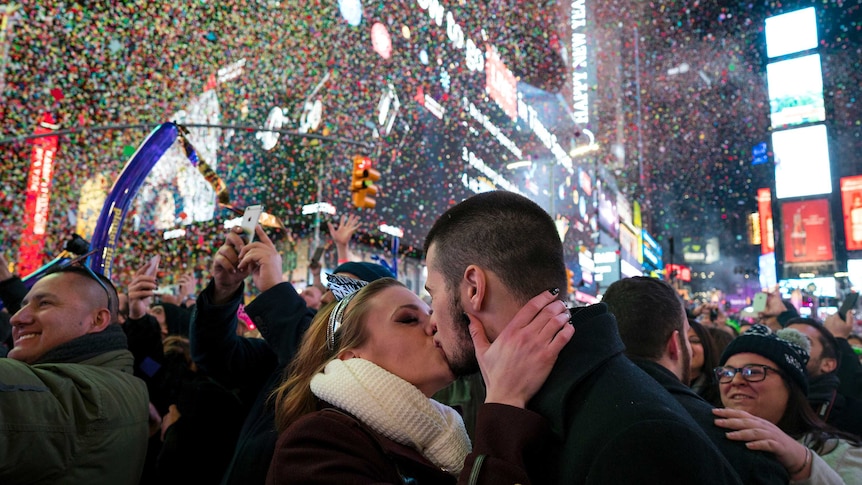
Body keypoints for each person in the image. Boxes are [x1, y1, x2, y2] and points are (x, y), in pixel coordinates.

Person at [424, 190, 741, 484]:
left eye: (432, 295)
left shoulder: (635, 437)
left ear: (474, 289)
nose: (431, 321)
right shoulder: (555, 396)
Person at [268, 277, 572, 483]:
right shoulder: (316, 441)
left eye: (430, 313)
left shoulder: (434, 433)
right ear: (352, 358)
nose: (435, 324)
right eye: (409, 319)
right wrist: (505, 404)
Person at [191, 224, 393, 485]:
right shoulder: (279, 359)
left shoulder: (368, 386)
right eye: (327, 287)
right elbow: (215, 354)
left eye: (342, 291)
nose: (324, 297)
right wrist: (223, 292)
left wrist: (275, 287)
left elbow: (318, 357)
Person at [602, 276, 788, 484]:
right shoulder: (743, 447)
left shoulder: (570, 412)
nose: (737, 381)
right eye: (687, 338)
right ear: (675, 344)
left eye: (753, 372)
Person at [0, 264, 150, 484]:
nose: (16, 319)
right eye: (22, 306)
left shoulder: (81, 395)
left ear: (98, 320)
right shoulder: (114, 376)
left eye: (44, 303)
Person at [714, 324, 862, 484]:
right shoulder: (706, 437)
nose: (736, 381)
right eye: (727, 373)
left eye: (754, 372)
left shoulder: (840, 454)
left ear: (791, 386)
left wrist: (804, 465)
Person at [786, 317, 862, 436]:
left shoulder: (853, 416)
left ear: (827, 364)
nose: (787, 347)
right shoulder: (760, 399)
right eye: (782, 339)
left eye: (802, 342)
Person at [689, 318, 722, 406]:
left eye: (694, 341)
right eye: (681, 340)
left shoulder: (720, 391)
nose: (687, 347)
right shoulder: (657, 386)